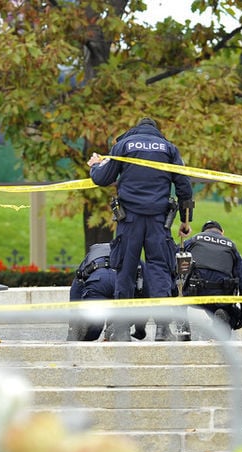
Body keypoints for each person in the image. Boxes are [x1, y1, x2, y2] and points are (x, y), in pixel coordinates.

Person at [88, 116, 194, 341]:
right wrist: (186, 220)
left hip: (129, 221)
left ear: (135, 129)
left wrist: (95, 165)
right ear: (157, 131)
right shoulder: (169, 148)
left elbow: (102, 178)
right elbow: (184, 186)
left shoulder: (123, 145)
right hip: (158, 221)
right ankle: (163, 330)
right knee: (159, 270)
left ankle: (121, 330)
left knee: (125, 271)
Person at [181, 220, 242, 337]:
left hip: (193, 292)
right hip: (220, 295)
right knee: (230, 313)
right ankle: (223, 321)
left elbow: (175, 260)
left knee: (178, 292)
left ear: (204, 232)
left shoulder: (195, 239)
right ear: (222, 232)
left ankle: (183, 327)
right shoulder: (231, 246)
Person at [67, 243, 148, 341]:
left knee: (93, 330)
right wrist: (140, 329)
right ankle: (117, 328)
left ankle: (87, 327)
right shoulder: (132, 255)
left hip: (97, 283)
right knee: (126, 310)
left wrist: (74, 320)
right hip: (120, 286)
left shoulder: (90, 258)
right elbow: (145, 293)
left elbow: (76, 288)